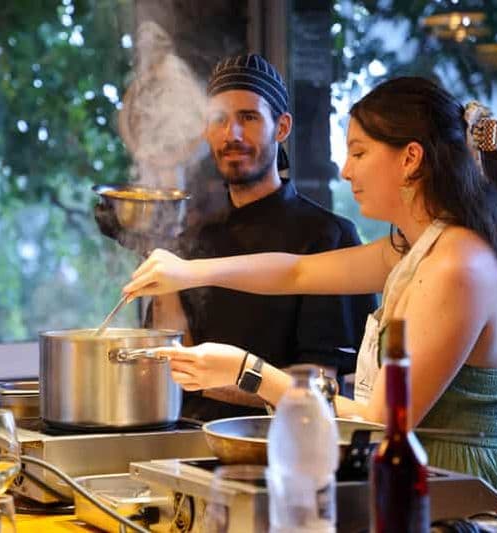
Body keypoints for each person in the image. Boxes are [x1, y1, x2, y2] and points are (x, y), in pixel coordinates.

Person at [123, 76, 497, 497]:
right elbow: (298, 273)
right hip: (410, 484)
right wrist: (189, 271)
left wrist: (247, 372)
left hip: (452, 495)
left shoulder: (457, 265)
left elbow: (381, 422)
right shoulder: (417, 249)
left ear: (410, 158)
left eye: (358, 152)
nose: (345, 170)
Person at [99, 53, 376, 421]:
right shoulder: (195, 234)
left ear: (281, 128)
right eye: (220, 120)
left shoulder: (327, 237)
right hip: (183, 440)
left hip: (276, 446)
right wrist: (156, 245)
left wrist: (231, 375)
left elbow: (320, 387)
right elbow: (172, 350)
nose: (232, 134)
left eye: (248, 118)